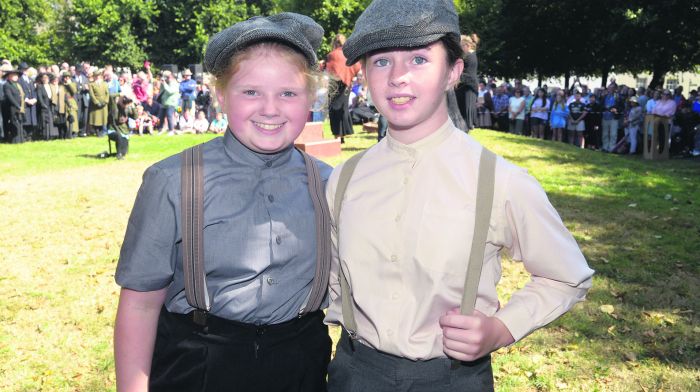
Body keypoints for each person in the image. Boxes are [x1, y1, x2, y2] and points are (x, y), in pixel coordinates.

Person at [324, 1, 594, 390]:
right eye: (381, 62)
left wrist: (501, 329)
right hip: (355, 373)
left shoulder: (499, 180)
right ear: (364, 73)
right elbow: (336, 277)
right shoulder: (345, 178)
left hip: (450, 379)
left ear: (453, 71)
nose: (398, 77)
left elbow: (566, 276)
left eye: (419, 59)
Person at [113, 12, 333, 391]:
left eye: (288, 93)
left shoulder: (330, 183)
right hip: (200, 363)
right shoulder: (173, 180)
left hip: (301, 363)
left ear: (310, 98)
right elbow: (140, 303)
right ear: (220, 96)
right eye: (250, 92)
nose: (270, 108)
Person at [325, 34, 361, 143]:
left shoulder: (332, 55)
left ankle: (337, 135)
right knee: (343, 109)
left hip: (334, 84)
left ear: (335, 43)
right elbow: (357, 66)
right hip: (346, 85)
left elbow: (329, 68)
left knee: (334, 110)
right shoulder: (348, 55)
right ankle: (343, 136)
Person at [456, 33, 479, 130]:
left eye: (461, 46)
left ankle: (468, 124)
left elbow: (468, 73)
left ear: (467, 45)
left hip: (469, 85)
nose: (460, 49)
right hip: (466, 84)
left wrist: (457, 77)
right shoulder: (469, 55)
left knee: (466, 106)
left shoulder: (470, 56)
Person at [2, 68, 26, 143]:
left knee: (20, 123)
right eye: (14, 75)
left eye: (17, 75)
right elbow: (9, 97)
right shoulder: (7, 85)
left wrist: (21, 106)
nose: (16, 77)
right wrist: (17, 105)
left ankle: (21, 139)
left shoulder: (18, 85)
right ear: (9, 76)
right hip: (12, 107)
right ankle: (15, 140)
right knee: (14, 123)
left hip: (20, 106)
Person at [88, 69, 110, 136]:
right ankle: (97, 131)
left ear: (100, 76)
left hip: (103, 104)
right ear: (94, 77)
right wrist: (96, 102)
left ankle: (102, 131)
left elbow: (107, 93)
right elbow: (91, 95)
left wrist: (105, 102)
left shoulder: (105, 84)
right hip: (96, 104)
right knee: (96, 118)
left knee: (103, 118)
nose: (97, 77)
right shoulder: (91, 84)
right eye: (96, 76)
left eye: (98, 76)